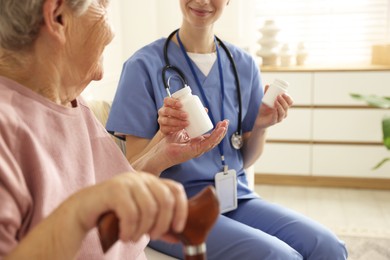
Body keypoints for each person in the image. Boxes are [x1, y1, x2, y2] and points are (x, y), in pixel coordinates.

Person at [106, 0, 348, 259]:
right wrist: (165, 134)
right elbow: (133, 170)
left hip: (235, 198)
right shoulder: (142, 65)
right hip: (170, 206)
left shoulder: (244, 64)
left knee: (328, 246)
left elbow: (244, 159)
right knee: (280, 257)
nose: (202, 1)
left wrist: (261, 126)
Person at [0, 0, 229, 259]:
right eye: (102, 3)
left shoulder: (72, 102)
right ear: (58, 17)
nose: (111, 28)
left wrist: (161, 156)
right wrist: (79, 213)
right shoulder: (7, 130)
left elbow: (107, 198)